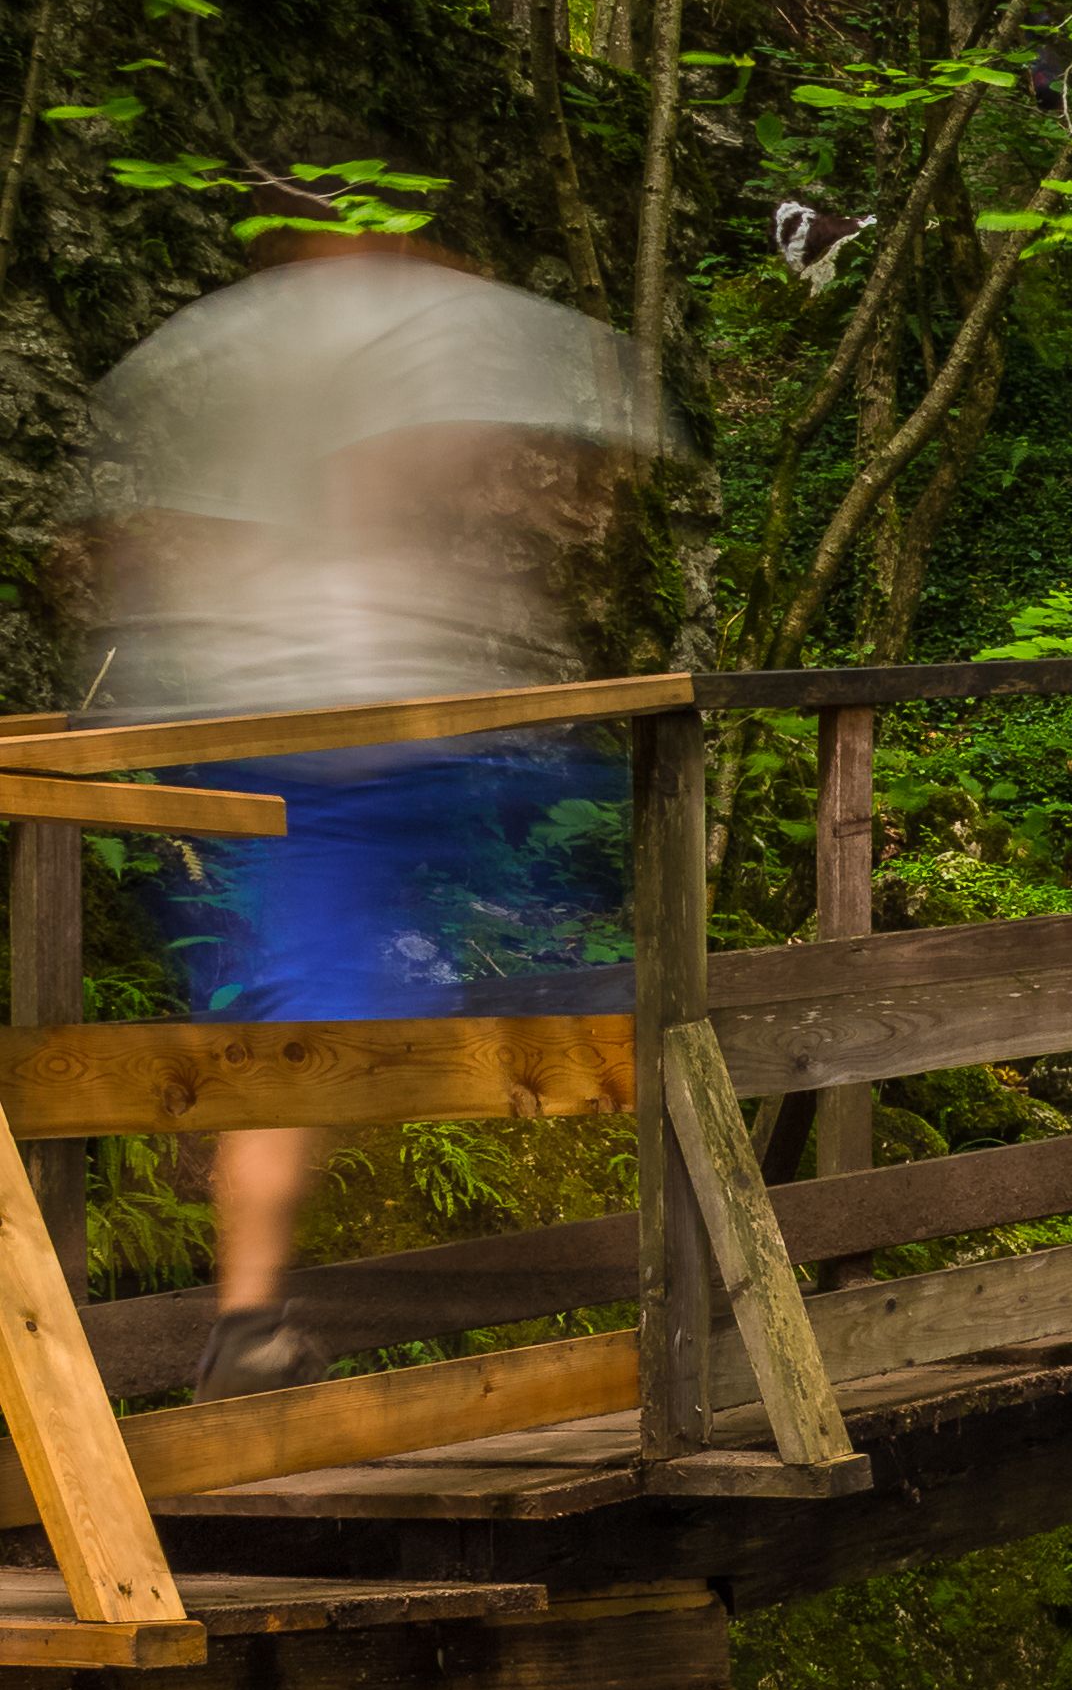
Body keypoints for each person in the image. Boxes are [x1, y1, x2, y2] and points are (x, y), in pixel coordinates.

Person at [74, 183, 663, 1397]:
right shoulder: (404, 327)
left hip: (234, 715)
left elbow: (150, 529)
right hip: (368, 709)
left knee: (297, 994)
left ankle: (249, 1313)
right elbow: (398, 472)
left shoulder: (224, 340)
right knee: (571, 873)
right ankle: (619, 1039)